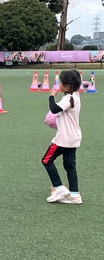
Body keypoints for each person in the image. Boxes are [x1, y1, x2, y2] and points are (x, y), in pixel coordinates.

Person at [42, 70, 82, 204]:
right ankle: (75, 194)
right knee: (70, 166)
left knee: (46, 160)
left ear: (67, 85)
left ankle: (59, 187)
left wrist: (51, 96)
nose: (59, 84)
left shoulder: (68, 99)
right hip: (74, 138)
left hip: (64, 138)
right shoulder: (75, 96)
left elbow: (54, 109)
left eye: (61, 82)